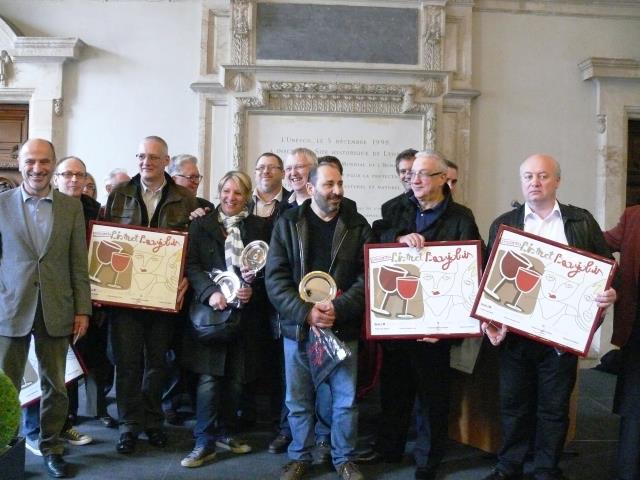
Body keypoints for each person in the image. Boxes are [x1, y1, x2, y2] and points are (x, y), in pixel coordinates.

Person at [482, 154, 617, 480]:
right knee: (513, 405)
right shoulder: (504, 223)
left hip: (562, 335)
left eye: (543, 176)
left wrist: (609, 294)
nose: (534, 182)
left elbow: (604, 269)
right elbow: (489, 280)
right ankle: (509, 466)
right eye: (528, 176)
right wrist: (489, 321)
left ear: (557, 181)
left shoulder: (581, 222)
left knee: (554, 408)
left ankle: (546, 468)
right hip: (515, 335)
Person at [371, 150, 482, 480]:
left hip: (435, 327)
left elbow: (470, 272)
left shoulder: (462, 217)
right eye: (412, 173)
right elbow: (375, 237)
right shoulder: (395, 208)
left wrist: (450, 329)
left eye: (422, 174)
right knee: (394, 390)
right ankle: (389, 449)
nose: (414, 179)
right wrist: (396, 238)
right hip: (397, 319)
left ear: (442, 179)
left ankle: (428, 459)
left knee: (432, 397)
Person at [266, 162, 372, 480]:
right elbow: (275, 278)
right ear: (311, 188)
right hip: (297, 328)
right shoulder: (287, 222)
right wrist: (305, 312)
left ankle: (344, 459)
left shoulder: (358, 225)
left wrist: (338, 309)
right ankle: (300, 457)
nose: (337, 190)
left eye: (340, 183)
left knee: (345, 400)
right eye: (329, 184)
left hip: (341, 327)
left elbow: (366, 278)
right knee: (297, 400)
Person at [0, 139, 91, 478]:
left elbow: (77, 264)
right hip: (11, 307)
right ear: (19, 163)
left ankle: (51, 446)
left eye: (44, 162)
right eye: (31, 161)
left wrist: (83, 309)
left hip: (57, 307)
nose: (37, 169)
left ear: (54, 164)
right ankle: (5, 447)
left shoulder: (71, 208)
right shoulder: (2, 204)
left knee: (55, 384)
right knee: (5, 384)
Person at [101, 136, 198, 454]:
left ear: (166, 161)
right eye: (142, 156)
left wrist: (186, 279)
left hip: (163, 295)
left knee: (158, 363)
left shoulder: (185, 198)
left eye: (154, 157)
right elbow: (104, 242)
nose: (146, 162)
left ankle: (154, 422)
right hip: (125, 298)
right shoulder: (119, 194)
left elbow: (193, 246)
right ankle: (129, 425)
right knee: (127, 363)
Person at [180, 170, 269, 468]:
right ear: (219, 192)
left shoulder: (259, 226)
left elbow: (268, 266)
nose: (231, 198)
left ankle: (226, 432)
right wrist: (209, 293)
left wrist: (252, 289)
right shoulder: (201, 224)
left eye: (238, 193)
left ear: (247, 196)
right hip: (212, 314)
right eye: (226, 191)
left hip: (245, 315)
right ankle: (203, 440)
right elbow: (191, 265)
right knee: (209, 378)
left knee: (236, 378)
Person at [163, 153, 213, 425]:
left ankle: (193, 402)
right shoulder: (164, 204)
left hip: (196, 290)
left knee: (192, 347)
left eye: (197, 177)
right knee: (168, 352)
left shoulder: (206, 207)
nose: (193, 181)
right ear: (173, 176)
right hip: (164, 289)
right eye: (188, 176)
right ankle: (169, 402)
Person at [604, 205, 640, 480]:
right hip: (637, 326)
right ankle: (629, 470)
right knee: (634, 404)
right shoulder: (634, 215)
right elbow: (599, 241)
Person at [380, 148, 417, 218]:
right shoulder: (389, 208)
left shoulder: (437, 203)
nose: (408, 176)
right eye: (403, 171)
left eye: (412, 170)